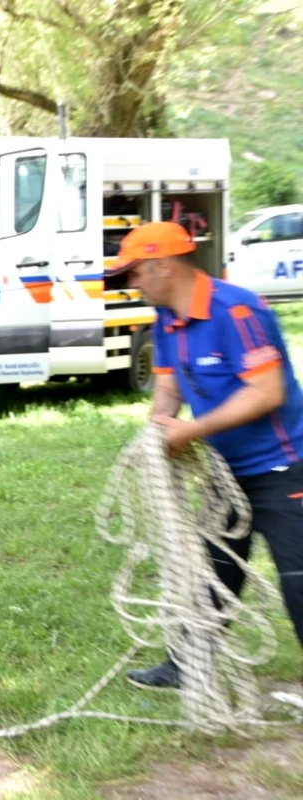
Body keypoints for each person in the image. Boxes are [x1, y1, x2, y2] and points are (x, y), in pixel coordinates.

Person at [109, 221, 303, 689]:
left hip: (283, 467)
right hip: (226, 474)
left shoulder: (236, 310)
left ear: (163, 266)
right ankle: (187, 666)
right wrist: (159, 436)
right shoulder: (166, 320)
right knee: (213, 569)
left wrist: (191, 431)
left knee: (299, 578)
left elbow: (266, 392)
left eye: (134, 274)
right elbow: (168, 388)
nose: (130, 284)